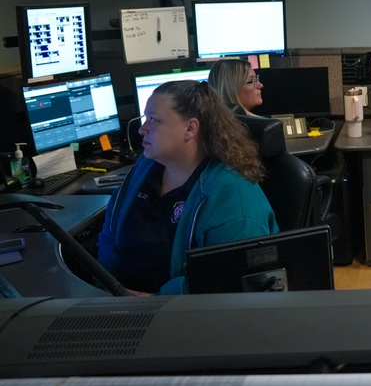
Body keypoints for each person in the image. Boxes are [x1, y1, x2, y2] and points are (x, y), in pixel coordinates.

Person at [97, 80, 278, 295]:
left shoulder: (234, 198)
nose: (142, 129)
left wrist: (154, 302)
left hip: (184, 315)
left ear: (190, 128)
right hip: (120, 302)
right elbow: (110, 234)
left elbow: (226, 280)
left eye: (153, 120)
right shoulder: (146, 168)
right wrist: (109, 287)